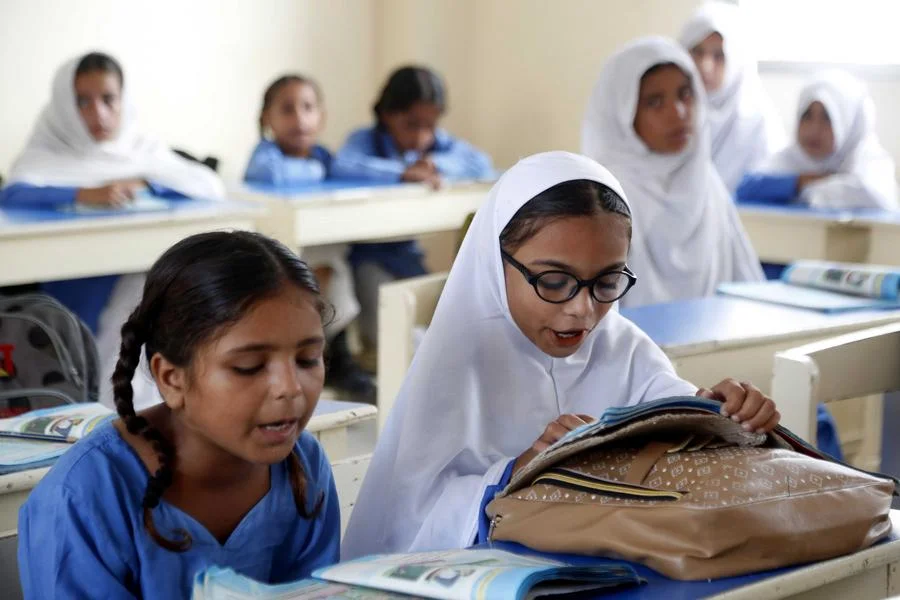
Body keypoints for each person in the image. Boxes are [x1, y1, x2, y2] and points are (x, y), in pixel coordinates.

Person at [341, 151, 781, 559]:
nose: (582, 310)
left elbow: (674, 416)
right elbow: (405, 526)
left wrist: (722, 414)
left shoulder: (622, 346)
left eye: (607, 281)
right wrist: (518, 470)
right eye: (553, 281)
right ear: (497, 263)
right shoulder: (455, 367)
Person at [18, 232, 340, 598]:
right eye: (249, 366)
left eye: (307, 359)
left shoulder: (303, 468)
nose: (290, 387)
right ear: (171, 379)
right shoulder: (83, 497)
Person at [581, 36, 764, 308]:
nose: (678, 113)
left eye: (685, 94)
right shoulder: (606, 193)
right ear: (622, 112)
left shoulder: (706, 182)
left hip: (716, 344)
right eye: (654, 102)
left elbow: (747, 286)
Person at [245, 74, 373, 401]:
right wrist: (319, 171)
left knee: (334, 259)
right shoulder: (265, 157)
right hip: (277, 257)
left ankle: (335, 353)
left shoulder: (324, 156)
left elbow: (355, 169)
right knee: (317, 266)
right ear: (266, 119)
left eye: (308, 108)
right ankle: (315, 353)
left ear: (322, 116)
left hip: (322, 258)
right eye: (287, 110)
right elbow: (272, 175)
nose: (299, 119)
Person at [736, 70, 897, 210]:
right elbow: (745, 188)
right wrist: (802, 181)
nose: (814, 129)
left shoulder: (870, 164)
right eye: (807, 116)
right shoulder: (791, 159)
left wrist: (810, 190)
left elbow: (875, 196)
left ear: (849, 124)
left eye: (827, 117)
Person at [679, 1, 786, 193]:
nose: (705, 66)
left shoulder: (756, 123)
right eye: (697, 52)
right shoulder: (668, 112)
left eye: (718, 55)